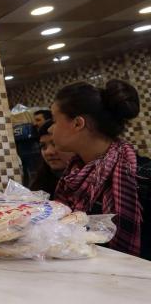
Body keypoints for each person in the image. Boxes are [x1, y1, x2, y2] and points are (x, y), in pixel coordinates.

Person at [50, 79, 147, 258]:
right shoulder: (72, 175)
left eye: (55, 120)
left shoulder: (141, 176)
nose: (50, 129)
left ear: (78, 123)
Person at [29, 121, 75, 198]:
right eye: (43, 146)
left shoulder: (92, 180)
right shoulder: (40, 181)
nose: (48, 152)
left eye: (55, 144)